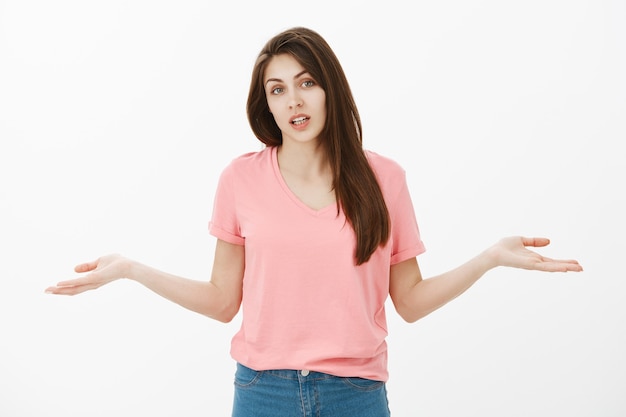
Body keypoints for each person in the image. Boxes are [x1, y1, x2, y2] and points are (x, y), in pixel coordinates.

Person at [45, 27, 582, 417]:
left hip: (357, 395)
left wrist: (488, 259)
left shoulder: (384, 179)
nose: (294, 100)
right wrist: (132, 270)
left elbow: (411, 301)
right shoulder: (240, 179)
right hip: (262, 394)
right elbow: (221, 300)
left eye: (306, 83)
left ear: (330, 89)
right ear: (267, 105)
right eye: (277, 90)